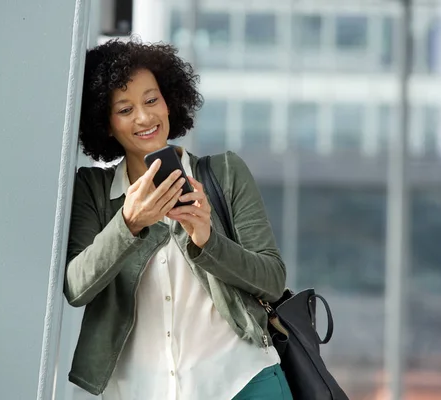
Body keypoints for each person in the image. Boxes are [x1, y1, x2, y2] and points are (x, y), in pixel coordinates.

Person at [64, 38, 292, 400]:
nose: (144, 117)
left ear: (170, 102)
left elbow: (272, 280)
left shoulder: (226, 173)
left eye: (152, 100)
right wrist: (128, 223)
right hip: (138, 390)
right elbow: (76, 287)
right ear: (105, 124)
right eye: (125, 109)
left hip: (241, 381)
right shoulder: (92, 190)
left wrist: (208, 239)